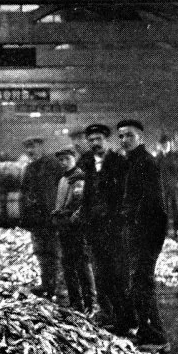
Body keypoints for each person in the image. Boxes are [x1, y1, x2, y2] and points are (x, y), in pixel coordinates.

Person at [117, 119, 169, 352]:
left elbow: (153, 203)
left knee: (142, 282)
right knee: (138, 282)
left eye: (129, 135)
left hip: (145, 233)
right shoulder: (132, 162)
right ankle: (147, 332)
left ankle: (157, 338)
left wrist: (137, 226)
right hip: (137, 232)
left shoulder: (146, 163)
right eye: (121, 136)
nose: (124, 140)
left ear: (141, 138)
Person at [73, 123, 130, 332]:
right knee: (100, 274)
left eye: (99, 139)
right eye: (91, 140)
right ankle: (108, 315)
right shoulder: (84, 162)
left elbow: (126, 194)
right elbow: (78, 191)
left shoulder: (119, 162)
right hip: (94, 228)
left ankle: (125, 319)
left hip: (114, 228)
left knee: (119, 273)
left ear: (107, 140)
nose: (95, 144)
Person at [51, 146, 96, 314]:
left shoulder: (79, 178)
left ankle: (90, 304)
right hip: (64, 227)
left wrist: (67, 215)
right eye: (61, 160)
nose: (63, 163)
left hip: (76, 228)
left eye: (67, 159)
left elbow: (79, 203)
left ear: (74, 159)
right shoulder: (63, 179)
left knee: (82, 265)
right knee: (68, 265)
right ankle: (76, 302)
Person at [19, 137, 64, 298]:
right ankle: (47, 284)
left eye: (33, 146)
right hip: (36, 219)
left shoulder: (53, 164)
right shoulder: (29, 168)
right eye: (28, 147)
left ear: (41, 146)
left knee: (55, 252)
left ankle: (57, 288)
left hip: (51, 218)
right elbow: (24, 194)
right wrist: (24, 217)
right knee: (41, 252)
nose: (30, 151)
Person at [155, 133, 178, 238]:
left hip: (175, 187)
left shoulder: (176, 156)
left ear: (170, 144)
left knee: (176, 209)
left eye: (166, 144)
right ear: (160, 145)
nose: (165, 146)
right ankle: (163, 232)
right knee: (163, 210)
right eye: (163, 144)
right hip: (162, 188)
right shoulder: (158, 158)